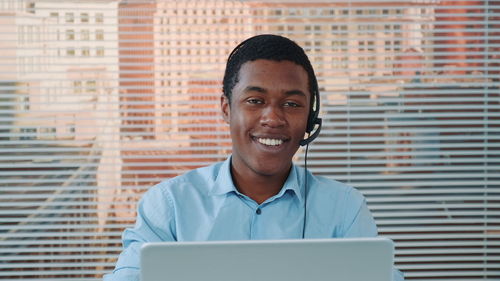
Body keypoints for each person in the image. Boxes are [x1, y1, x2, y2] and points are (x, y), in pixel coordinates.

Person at [104, 34, 404, 281]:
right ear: (226, 108)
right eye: (255, 101)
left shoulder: (344, 207)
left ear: (310, 120)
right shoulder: (169, 204)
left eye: (291, 103)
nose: (272, 118)